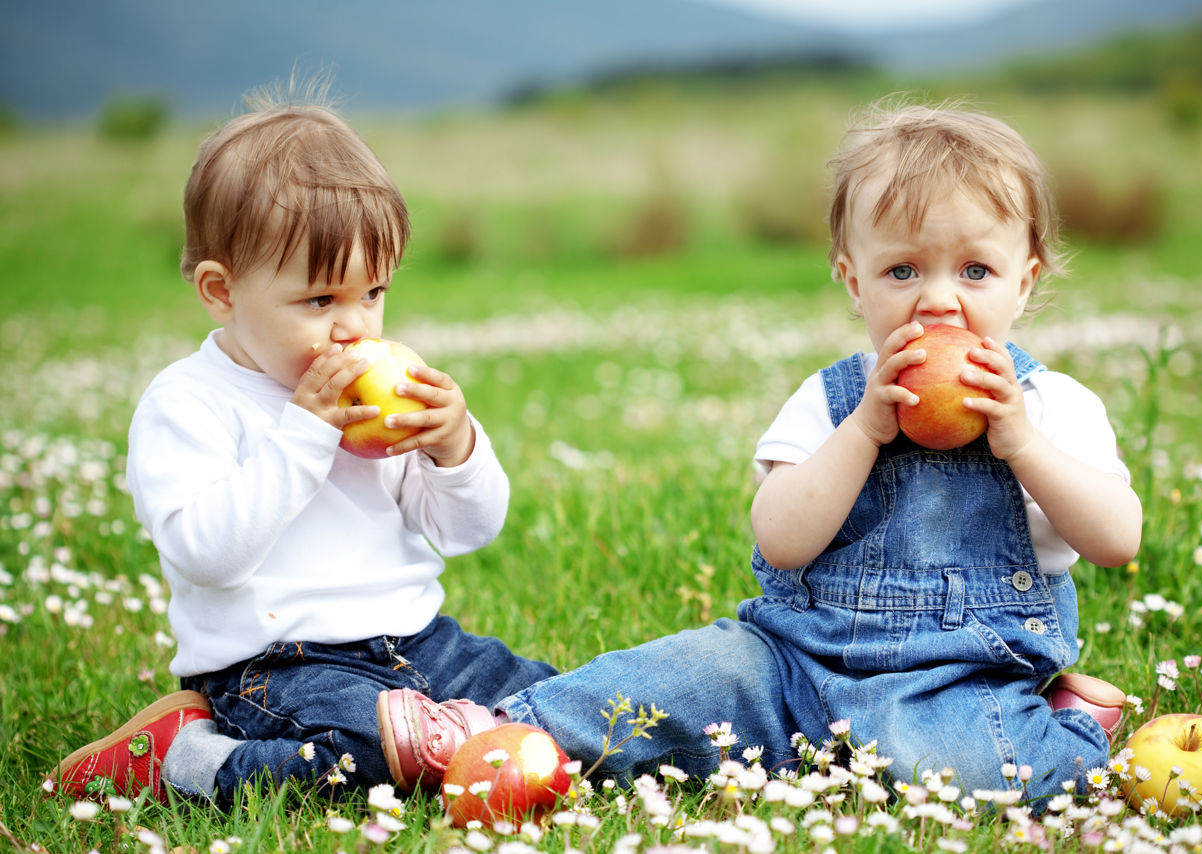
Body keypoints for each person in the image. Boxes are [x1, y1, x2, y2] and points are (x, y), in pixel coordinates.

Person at [489, 99, 1142, 800]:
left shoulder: (1052, 407)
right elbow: (781, 540)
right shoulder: (831, 403)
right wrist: (862, 432)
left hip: (953, 681)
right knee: (664, 682)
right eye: (903, 271)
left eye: (975, 271)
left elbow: (1115, 538)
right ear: (853, 280)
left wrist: (1021, 443)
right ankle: (501, 734)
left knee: (956, 767)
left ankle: (1064, 732)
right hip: (789, 665)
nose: (938, 301)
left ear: (1026, 280)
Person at [48, 89, 555, 806]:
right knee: (365, 759)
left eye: (372, 292)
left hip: (418, 644)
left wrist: (455, 446)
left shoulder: (379, 389)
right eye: (321, 302)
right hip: (276, 668)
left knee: (557, 702)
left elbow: (468, 530)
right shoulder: (188, 404)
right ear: (222, 292)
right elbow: (208, 554)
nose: (354, 328)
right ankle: (186, 761)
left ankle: (450, 732)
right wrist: (306, 434)